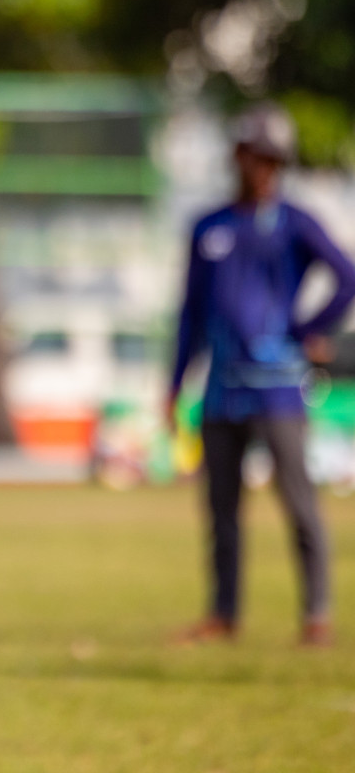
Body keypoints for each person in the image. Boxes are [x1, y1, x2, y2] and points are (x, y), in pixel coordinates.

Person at [168, 104, 355, 647]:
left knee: (299, 505)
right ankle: (223, 614)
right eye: (254, 156)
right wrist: (176, 382)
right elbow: (190, 314)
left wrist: (307, 328)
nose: (262, 168)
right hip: (223, 389)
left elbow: (346, 277)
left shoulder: (296, 222)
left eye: (272, 159)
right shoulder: (211, 227)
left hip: (277, 387)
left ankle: (316, 615)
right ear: (237, 157)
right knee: (221, 511)